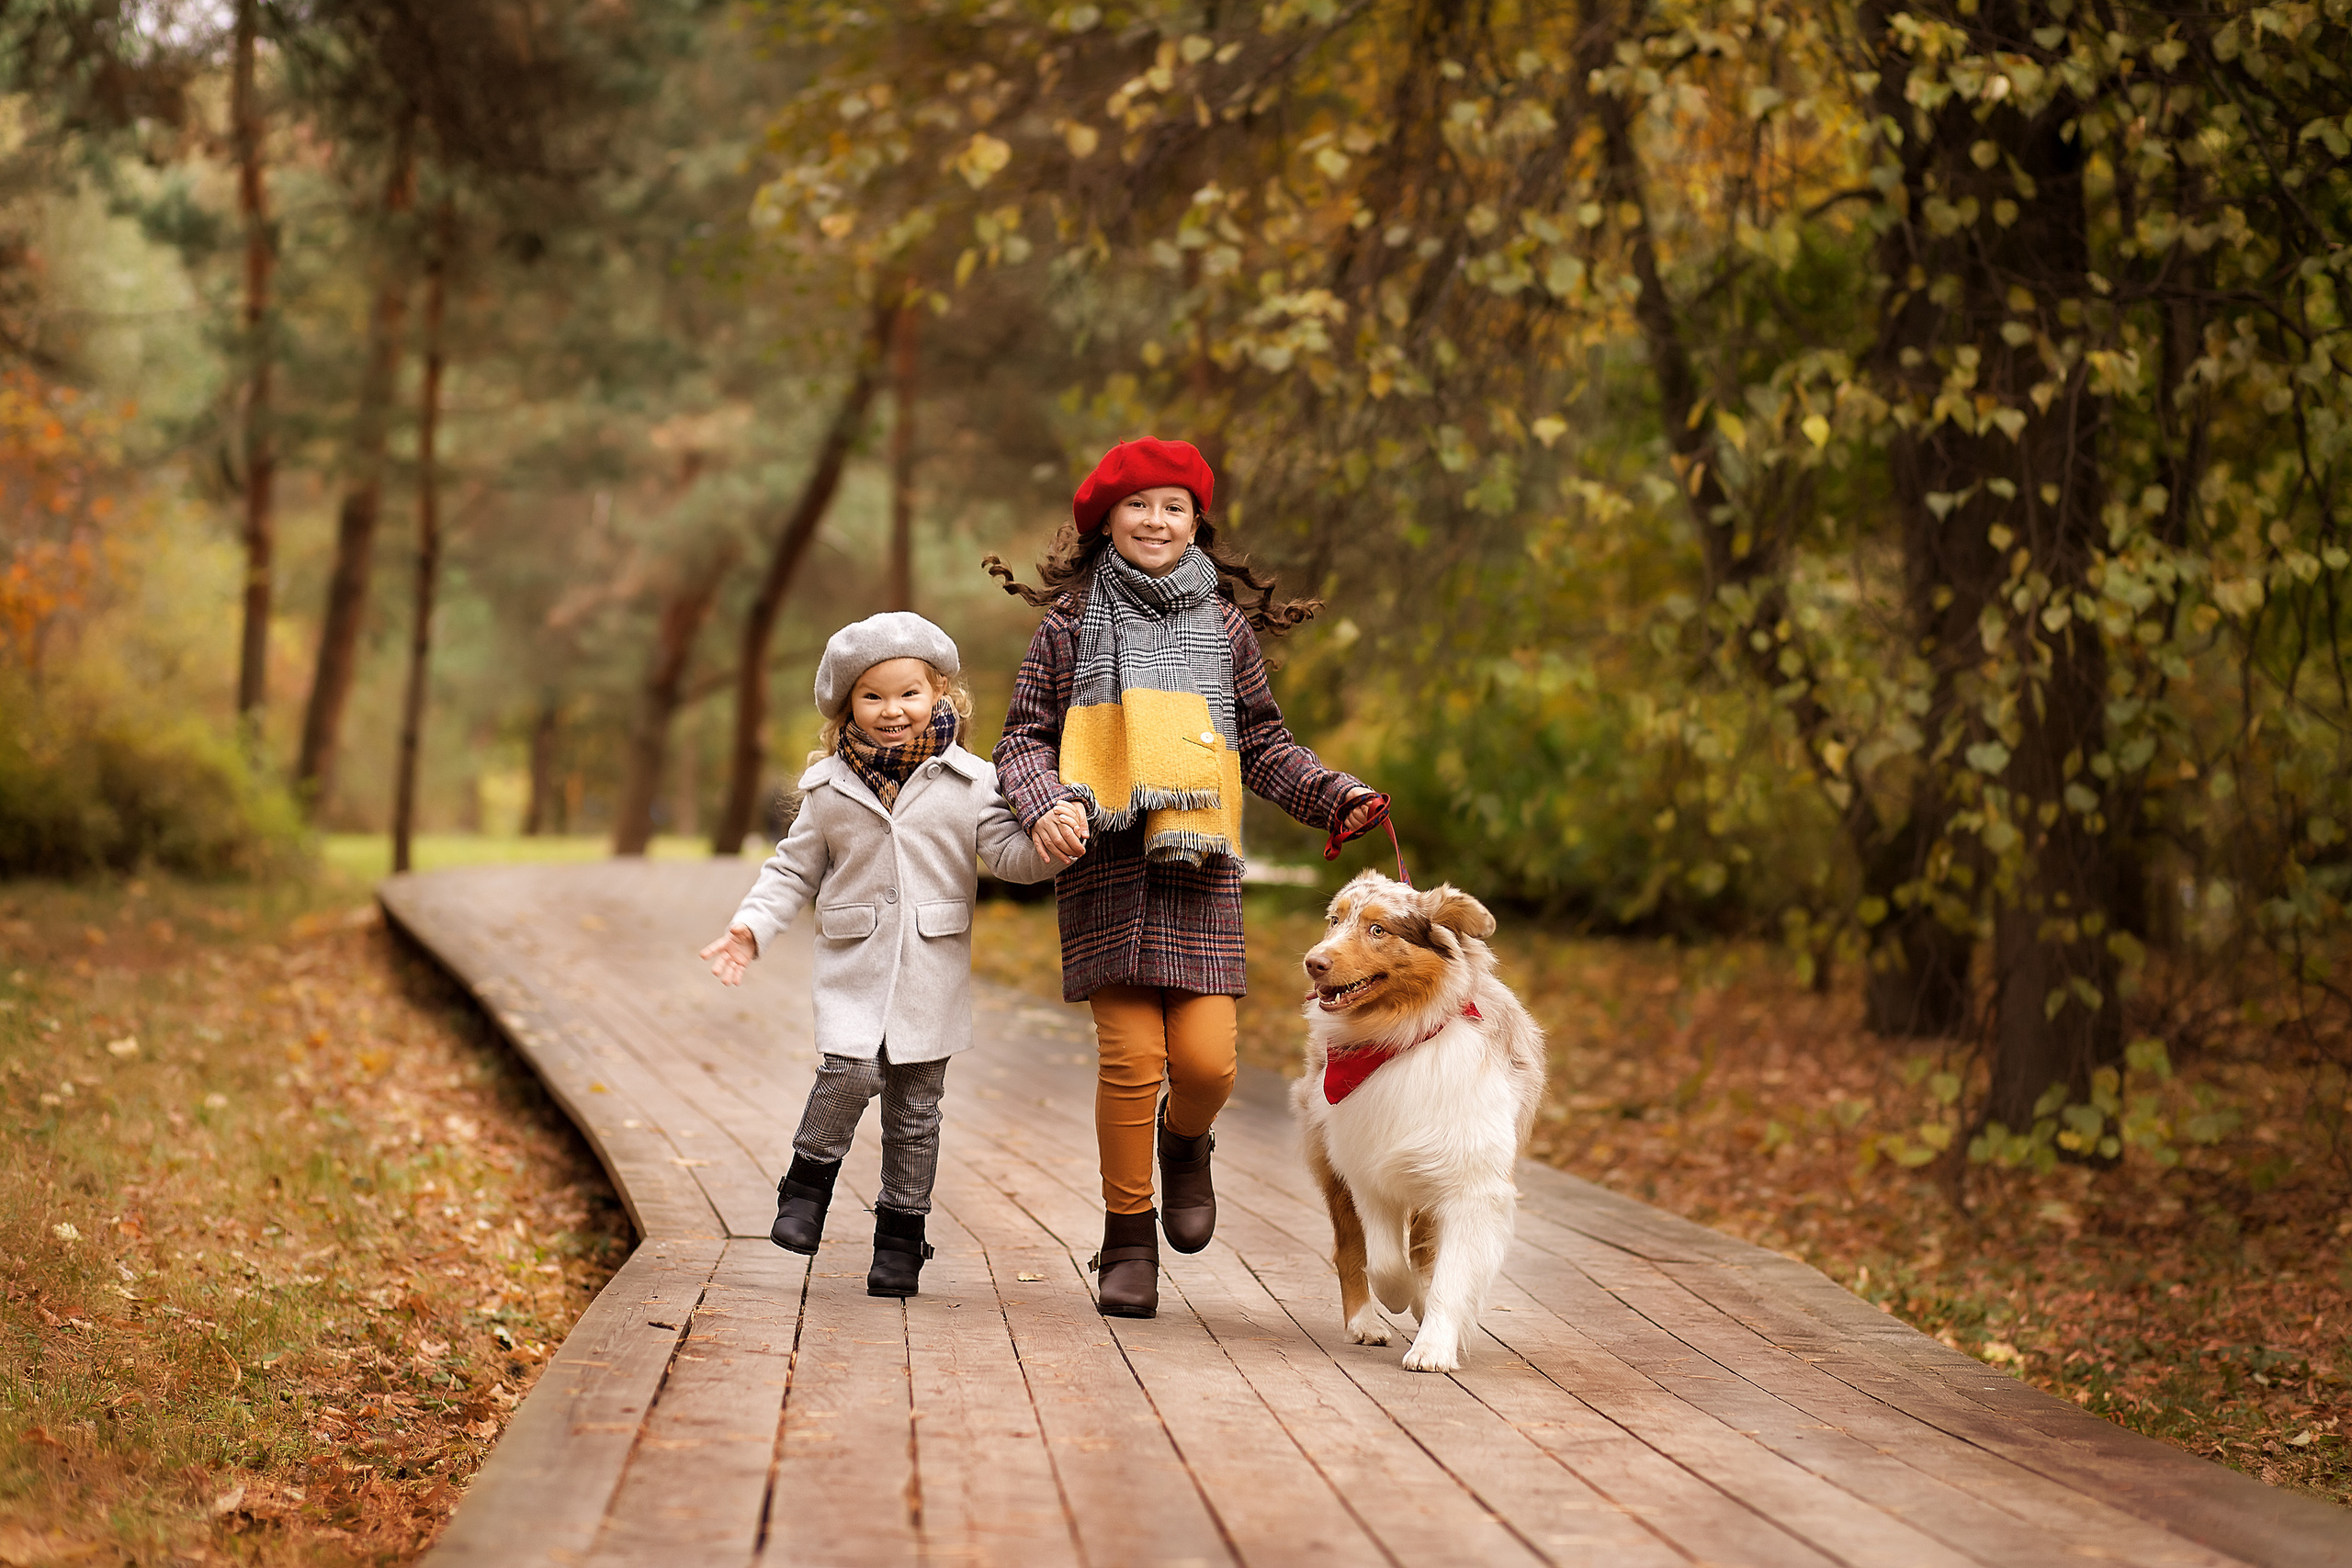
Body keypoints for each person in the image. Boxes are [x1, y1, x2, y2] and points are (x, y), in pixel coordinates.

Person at [987, 438, 1387, 1318]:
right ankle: (1126, 1240)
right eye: (1138, 505)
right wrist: (1045, 800)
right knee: (1131, 1059)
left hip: (1197, 871)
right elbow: (1020, 739)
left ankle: (1186, 1143)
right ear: (1106, 520)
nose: (1156, 520)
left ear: (1194, 521)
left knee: (1206, 1066)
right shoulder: (1069, 621)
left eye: (1173, 506)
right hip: (1103, 868)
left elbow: (1265, 744)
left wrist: (1335, 799)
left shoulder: (1223, 624)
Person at [699, 612, 1072, 1297]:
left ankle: (901, 1237)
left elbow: (1008, 856)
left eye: (909, 693)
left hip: (931, 966)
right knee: (849, 1071)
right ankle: (805, 1185)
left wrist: (1054, 849)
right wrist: (751, 928)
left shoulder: (971, 782)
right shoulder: (828, 789)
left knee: (915, 1112)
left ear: (940, 694)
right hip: (855, 965)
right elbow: (790, 871)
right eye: (872, 697)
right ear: (848, 706)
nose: (892, 710)